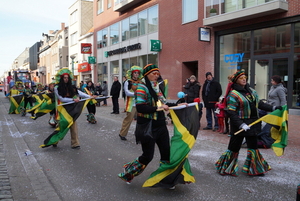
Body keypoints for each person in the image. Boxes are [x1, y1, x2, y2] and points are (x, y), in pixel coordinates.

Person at [118, 64, 179, 184]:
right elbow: (140, 108)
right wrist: (158, 108)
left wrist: (181, 105)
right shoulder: (141, 88)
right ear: (146, 75)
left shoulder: (157, 87)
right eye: (153, 74)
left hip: (161, 124)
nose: (156, 76)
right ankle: (129, 171)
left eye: (158, 73)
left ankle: (166, 179)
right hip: (147, 126)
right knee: (147, 156)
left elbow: (164, 103)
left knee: (166, 154)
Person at [215, 70, 283, 177]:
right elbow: (231, 112)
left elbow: (259, 104)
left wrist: (273, 108)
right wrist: (241, 124)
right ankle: (226, 167)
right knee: (234, 147)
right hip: (239, 125)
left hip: (253, 123)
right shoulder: (233, 94)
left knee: (253, 147)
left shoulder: (251, 91)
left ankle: (255, 169)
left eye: (245, 77)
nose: (244, 79)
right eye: (241, 78)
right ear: (236, 81)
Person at [54, 68, 92, 149]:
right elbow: (62, 99)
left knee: (73, 125)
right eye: (64, 78)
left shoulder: (72, 87)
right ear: (61, 78)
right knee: (61, 127)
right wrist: (73, 99)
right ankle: (54, 140)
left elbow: (79, 93)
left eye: (67, 78)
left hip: (71, 109)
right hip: (62, 110)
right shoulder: (56, 88)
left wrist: (90, 96)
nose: (66, 79)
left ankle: (75, 143)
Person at [119, 66, 142, 141]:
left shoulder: (141, 81)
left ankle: (139, 134)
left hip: (140, 103)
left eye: (138, 73)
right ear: (132, 73)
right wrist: (136, 94)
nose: (136, 74)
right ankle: (122, 133)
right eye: (135, 73)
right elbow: (127, 92)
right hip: (131, 104)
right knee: (128, 119)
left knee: (141, 120)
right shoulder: (128, 82)